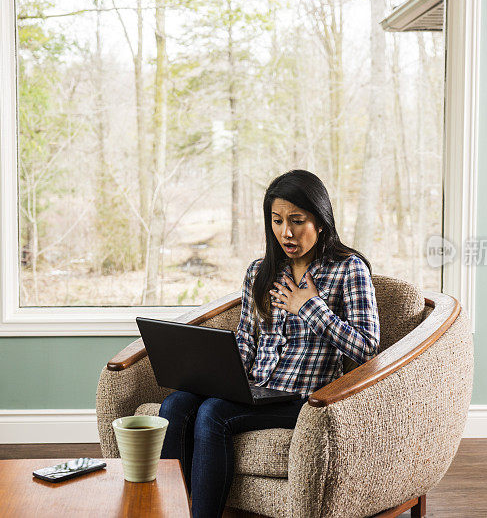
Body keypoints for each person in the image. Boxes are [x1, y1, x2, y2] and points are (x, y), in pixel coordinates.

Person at [159, 169, 381, 517]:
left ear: (320, 221)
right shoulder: (259, 272)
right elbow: (246, 339)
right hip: (257, 388)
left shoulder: (349, 269)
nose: (286, 232)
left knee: (213, 414)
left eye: (297, 221)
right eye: (277, 221)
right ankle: (168, 512)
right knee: (175, 405)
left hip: (304, 398)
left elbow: (368, 347)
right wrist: (217, 374)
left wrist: (310, 308)